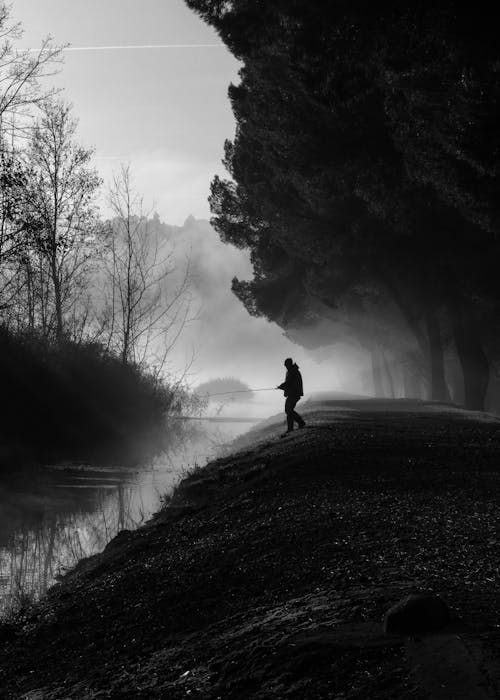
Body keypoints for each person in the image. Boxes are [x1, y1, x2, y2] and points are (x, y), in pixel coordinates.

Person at [277, 357, 306, 436]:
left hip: (294, 394)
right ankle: (295, 426)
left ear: (289, 364)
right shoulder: (291, 371)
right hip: (292, 393)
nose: (285, 366)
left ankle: (297, 425)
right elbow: (288, 383)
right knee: (288, 410)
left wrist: (281, 386)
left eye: (286, 365)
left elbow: (289, 383)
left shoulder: (293, 371)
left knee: (289, 410)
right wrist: (282, 386)